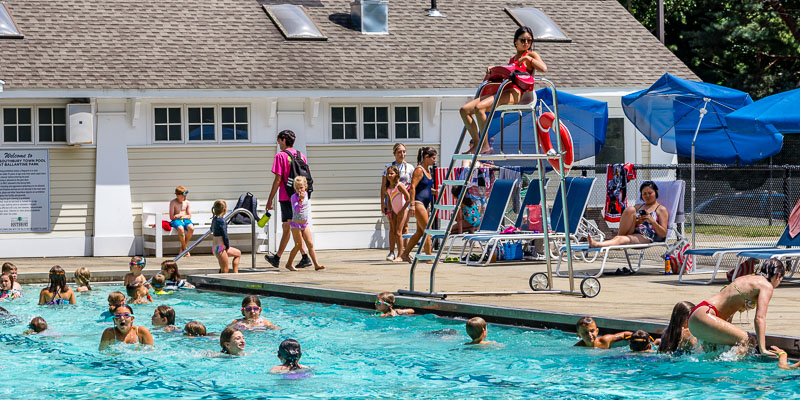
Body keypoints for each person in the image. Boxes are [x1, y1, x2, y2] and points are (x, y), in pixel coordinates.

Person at [459, 26, 546, 155]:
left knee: (480, 108)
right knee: (464, 110)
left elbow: (543, 69)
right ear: (516, 41)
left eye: (529, 40)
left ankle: (485, 146)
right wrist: (494, 69)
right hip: (504, 90)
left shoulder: (531, 55)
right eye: (523, 40)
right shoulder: (513, 58)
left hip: (517, 94)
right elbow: (509, 73)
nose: (526, 43)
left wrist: (528, 59)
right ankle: (477, 144)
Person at [688, 259, 785, 357]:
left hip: (698, 314)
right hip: (706, 315)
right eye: (781, 280)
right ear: (778, 276)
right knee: (748, 341)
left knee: (715, 351)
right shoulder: (766, 286)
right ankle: (729, 369)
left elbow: (729, 310)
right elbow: (760, 318)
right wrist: (763, 349)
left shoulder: (746, 279)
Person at [265, 130, 312, 269]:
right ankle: (287, 257)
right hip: (300, 198)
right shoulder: (301, 155)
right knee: (291, 227)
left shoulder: (280, 156)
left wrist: (270, 199)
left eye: (279, 141)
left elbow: (278, 179)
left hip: (287, 197)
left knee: (290, 227)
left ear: (284, 140)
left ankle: (295, 257)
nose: (278, 143)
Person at [588, 181, 669, 251]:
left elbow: (663, 234)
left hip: (645, 236)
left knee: (620, 239)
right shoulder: (638, 207)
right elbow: (632, 222)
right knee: (630, 209)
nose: (647, 196)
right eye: (644, 194)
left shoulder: (661, 209)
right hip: (632, 231)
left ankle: (597, 244)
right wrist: (638, 222)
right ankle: (617, 239)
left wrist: (652, 221)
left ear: (656, 192)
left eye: (650, 193)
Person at [399, 147, 438, 263]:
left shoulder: (428, 170)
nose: (434, 161)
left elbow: (423, 187)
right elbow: (413, 187)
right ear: (426, 157)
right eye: (433, 158)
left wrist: (433, 191)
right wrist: (411, 204)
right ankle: (429, 258)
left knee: (420, 232)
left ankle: (405, 254)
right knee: (428, 230)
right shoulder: (419, 170)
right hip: (418, 203)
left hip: (425, 204)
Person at [380, 143, 415, 261]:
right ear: (394, 153)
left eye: (404, 151)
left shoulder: (409, 167)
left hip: (404, 200)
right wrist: (382, 203)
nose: (402, 154)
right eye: (399, 152)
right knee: (392, 227)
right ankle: (391, 252)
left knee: (405, 227)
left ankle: (406, 251)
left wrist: (412, 203)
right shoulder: (388, 167)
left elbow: (413, 185)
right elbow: (383, 186)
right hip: (391, 198)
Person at [283, 176, 325, 271]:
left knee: (310, 244)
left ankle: (316, 264)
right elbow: (297, 210)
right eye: (297, 188)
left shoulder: (306, 194)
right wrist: (300, 200)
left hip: (304, 224)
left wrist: (303, 198)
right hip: (296, 225)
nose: (299, 190)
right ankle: (289, 264)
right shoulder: (294, 197)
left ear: (305, 186)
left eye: (301, 187)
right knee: (298, 245)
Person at [384, 165, 411, 262]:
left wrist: (402, 210)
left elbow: (408, 199)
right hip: (394, 211)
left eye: (392, 173)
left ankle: (400, 255)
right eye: (388, 174)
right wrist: (390, 211)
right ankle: (397, 253)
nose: (389, 175)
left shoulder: (399, 185)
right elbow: (390, 201)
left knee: (399, 232)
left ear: (396, 175)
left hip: (402, 211)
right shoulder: (388, 187)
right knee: (394, 232)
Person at [211, 200, 241, 274]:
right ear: (224, 210)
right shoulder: (222, 221)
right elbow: (225, 235)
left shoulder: (214, 219)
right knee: (225, 270)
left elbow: (211, 229)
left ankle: (235, 274)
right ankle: (231, 278)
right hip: (221, 248)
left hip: (215, 248)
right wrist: (227, 246)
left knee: (238, 253)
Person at [169, 185, 195, 256]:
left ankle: (183, 249)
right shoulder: (173, 202)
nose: (185, 197)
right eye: (183, 196)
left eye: (186, 195)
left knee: (191, 228)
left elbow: (189, 216)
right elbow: (171, 217)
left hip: (185, 219)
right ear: (178, 195)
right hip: (176, 221)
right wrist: (177, 217)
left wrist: (181, 217)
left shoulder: (187, 202)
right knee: (181, 228)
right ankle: (185, 249)